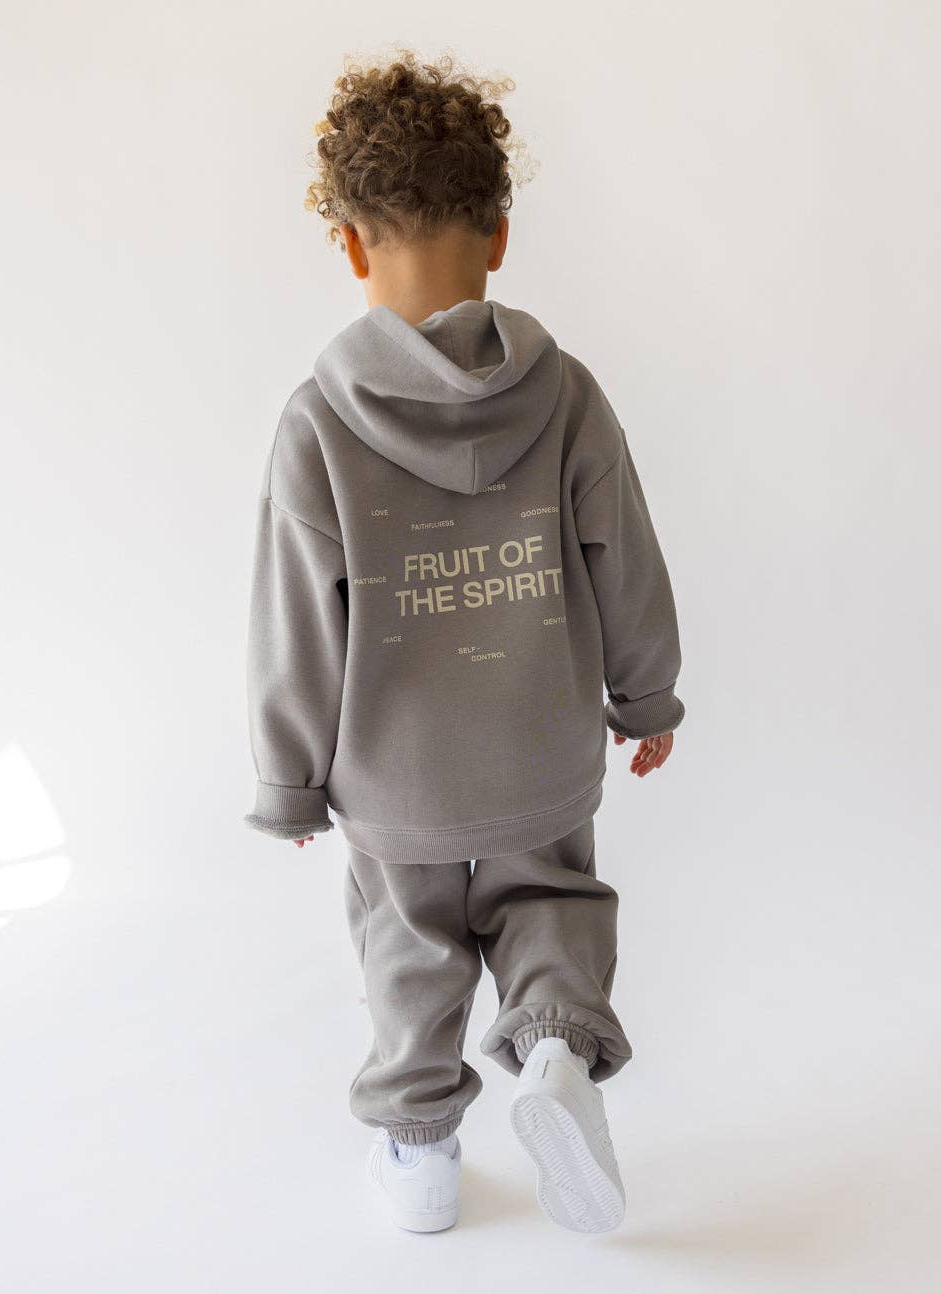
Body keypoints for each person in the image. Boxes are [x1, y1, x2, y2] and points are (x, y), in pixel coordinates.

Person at [244, 48, 686, 1235]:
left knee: (408, 943)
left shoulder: (316, 423)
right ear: (498, 233)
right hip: (541, 744)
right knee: (551, 901)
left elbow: (297, 616)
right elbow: (625, 557)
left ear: (348, 245)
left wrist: (288, 778)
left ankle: (421, 1153)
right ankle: (554, 1054)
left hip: (394, 773)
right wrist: (646, 696)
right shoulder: (567, 394)